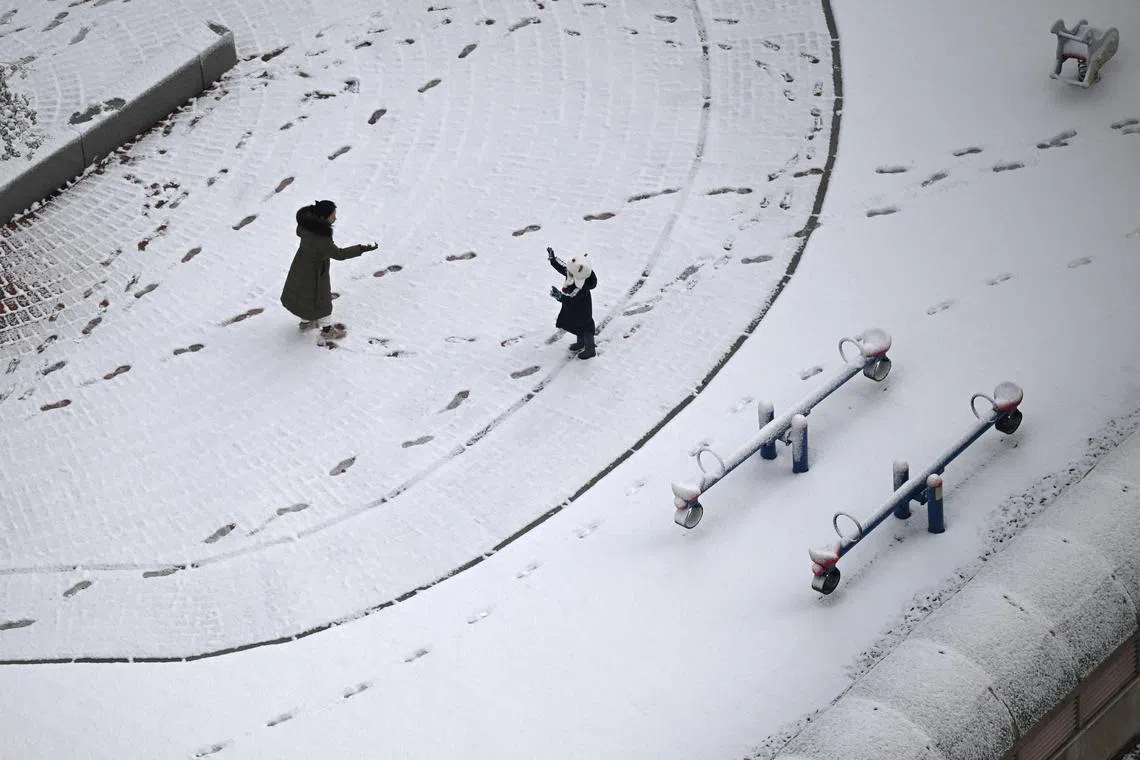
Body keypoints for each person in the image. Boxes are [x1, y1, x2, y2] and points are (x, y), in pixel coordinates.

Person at [280, 200, 377, 344]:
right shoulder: (321, 238)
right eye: (333, 216)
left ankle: (306, 322)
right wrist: (361, 248)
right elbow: (340, 254)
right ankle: (327, 331)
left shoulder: (306, 227)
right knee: (322, 302)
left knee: (303, 297)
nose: (335, 219)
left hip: (300, 266)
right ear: (323, 218)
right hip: (315, 273)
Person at [547, 246, 597, 360]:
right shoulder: (573, 273)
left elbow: (572, 299)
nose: (567, 271)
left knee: (585, 326)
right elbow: (562, 267)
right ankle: (581, 343)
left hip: (581, 308)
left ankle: (590, 349)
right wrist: (553, 259)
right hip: (572, 307)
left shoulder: (582, 286)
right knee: (575, 324)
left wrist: (560, 297)